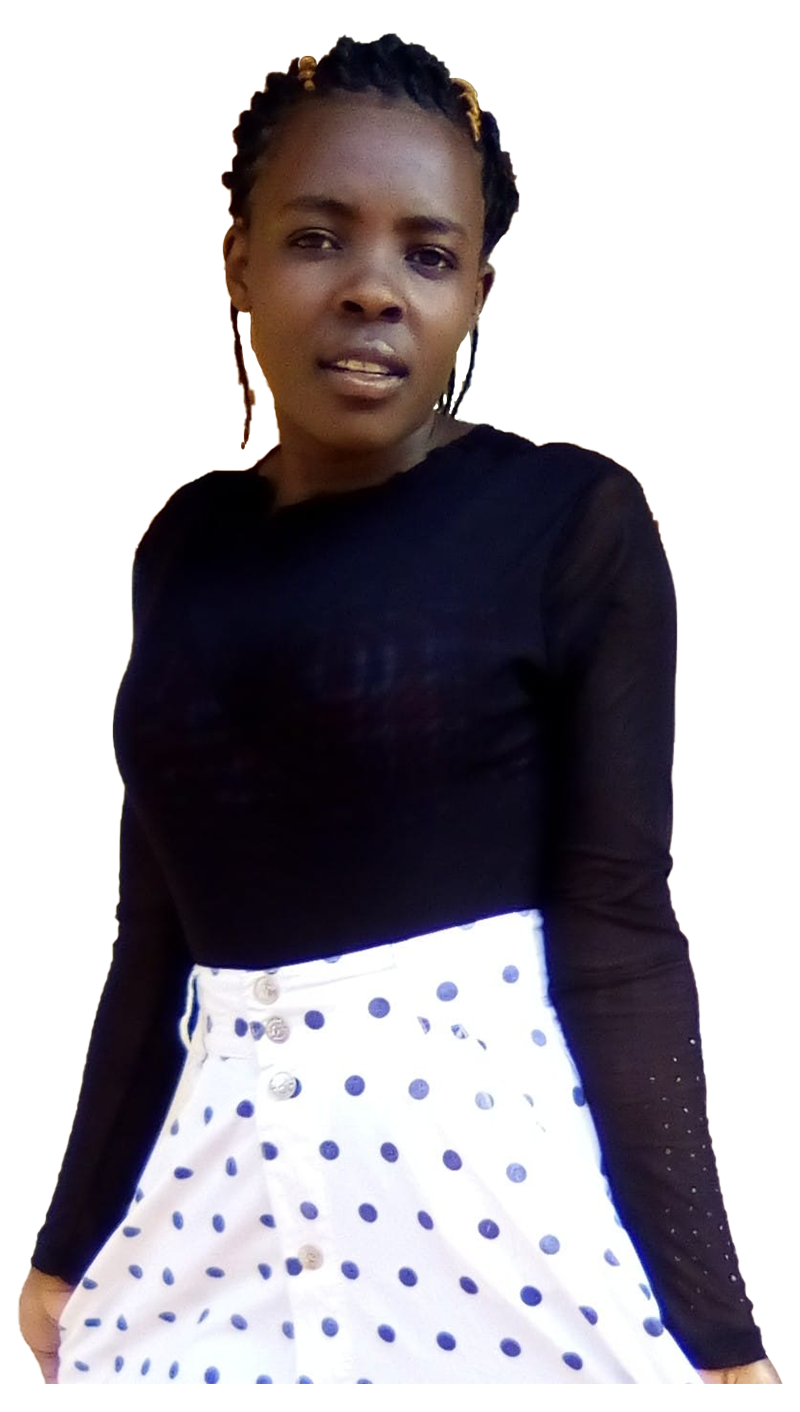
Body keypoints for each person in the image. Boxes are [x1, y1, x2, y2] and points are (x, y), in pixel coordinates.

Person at [18, 34, 777, 1385]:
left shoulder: (568, 520)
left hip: (493, 1210)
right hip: (221, 1207)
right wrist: (67, 1246)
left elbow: (618, 927)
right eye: (319, 238)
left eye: (427, 255)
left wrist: (720, 1330)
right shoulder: (184, 544)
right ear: (240, 262)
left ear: (475, 294)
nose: (373, 287)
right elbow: (155, 931)